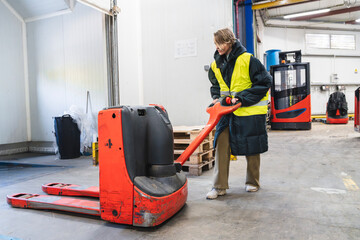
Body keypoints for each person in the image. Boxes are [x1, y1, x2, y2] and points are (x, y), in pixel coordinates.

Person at [206, 28, 272, 200]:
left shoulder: (248, 60)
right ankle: (219, 186)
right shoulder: (215, 65)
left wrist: (242, 98)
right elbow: (216, 86)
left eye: (220, 43)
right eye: (215, 44)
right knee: (221, 143)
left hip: (249, 111)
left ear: (229, 42)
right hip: (226, 112)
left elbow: (265, 82)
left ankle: (253, 182)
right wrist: (215, 98)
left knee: (252, 147)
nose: (217, 47)